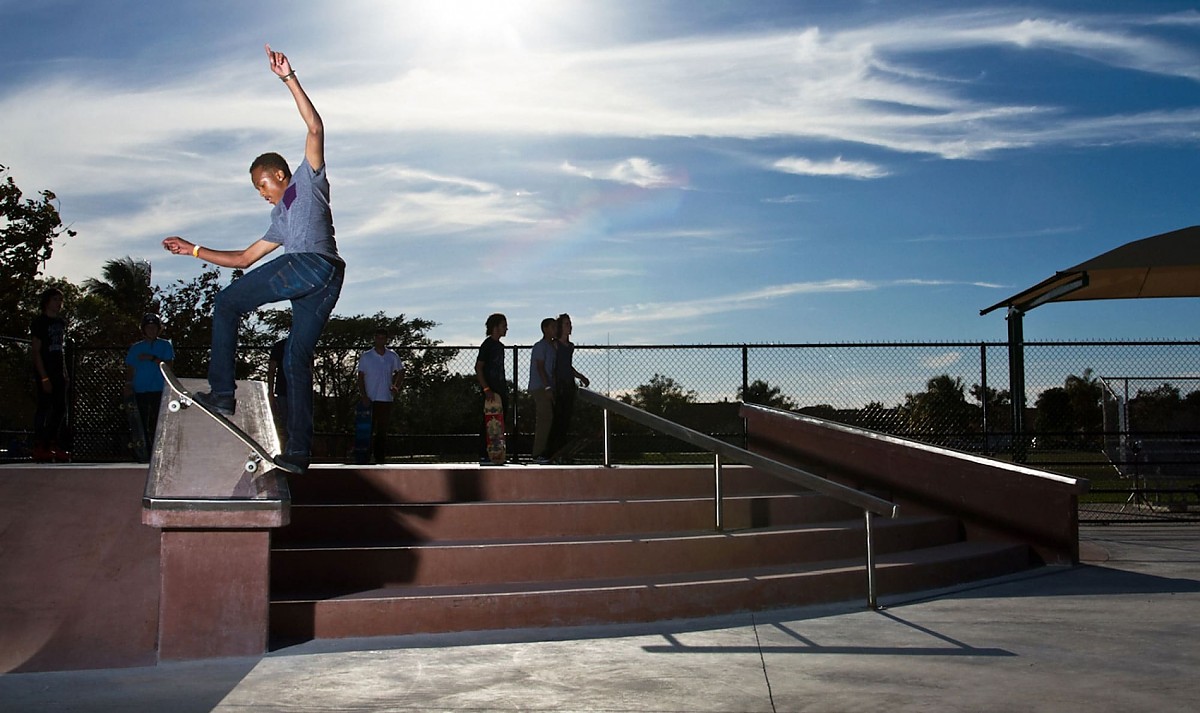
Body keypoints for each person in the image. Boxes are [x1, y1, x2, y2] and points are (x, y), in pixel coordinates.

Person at [162, 45, 343, 473]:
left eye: (262, 184)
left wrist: (288, 78)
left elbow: (315, 128)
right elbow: (245, 258)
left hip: (310, 264)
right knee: (295, 360)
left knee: (226, 305)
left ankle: (222, 392)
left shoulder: (306, 180)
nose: (262, 193)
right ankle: (299, 454)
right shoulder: (279, 219)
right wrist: (194, 250)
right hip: (327, 279)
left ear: (279, 175)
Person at [123, 313, 175, 456]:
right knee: (141, 423)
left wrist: (152, 358)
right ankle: (143, 453)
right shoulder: (136, 348)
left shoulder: (165, 345)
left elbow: (168, 366)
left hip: (159, 389)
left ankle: (160, 452)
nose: (151, 330)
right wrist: (128, 385)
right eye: (148, 327)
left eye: (154, 327)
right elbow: (130, 368)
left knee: (158, 422)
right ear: (144, 329)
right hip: (140, 390)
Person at [30, 288, 69, 462]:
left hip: (58, 370)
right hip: (45, 371)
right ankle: (40, 445)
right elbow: (36, 351)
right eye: (55, 299)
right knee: (44, 408)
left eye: (60, 300)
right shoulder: (40, 322)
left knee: (60, 408)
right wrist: (44, 377)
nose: (58, 303)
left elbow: (60, 349)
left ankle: (53, 443)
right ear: (47, 301)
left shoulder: (60, 323)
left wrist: (65, 372)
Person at [357, 328, 405, 464]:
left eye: (382, 338)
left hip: (386, 398)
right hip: (371, 398)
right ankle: (364, 457)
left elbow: (401, 371)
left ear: (386, 339)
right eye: (378, 337)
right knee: (367, 430)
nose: (380, 340)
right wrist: (364, 396)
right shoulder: (366, 356)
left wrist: (396, 387)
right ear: (374, 338)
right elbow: (360, 377)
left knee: (382, 431)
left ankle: (380, 458)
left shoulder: (392, 356)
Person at [548, 313, 590, 461]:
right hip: (559, 385)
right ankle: (552, 451)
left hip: (569, 384)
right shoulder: (555, 345)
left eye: (570, 323)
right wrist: (551, 386)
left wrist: (580, 377)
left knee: (566, 418)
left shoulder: (570, 346)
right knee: (558, 418)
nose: (569, 326)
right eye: (566, 324)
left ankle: (561, 453)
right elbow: (552, 366)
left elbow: (567, 366)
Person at [474, 313, 508, 464]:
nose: (506, 328)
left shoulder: (500, 346)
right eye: (503, 325)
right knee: (489, 423)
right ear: (495, 327)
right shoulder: (487, 345)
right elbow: (479, 367)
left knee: (500, 424)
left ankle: (497, 454)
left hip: (501, 389)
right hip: (491, 390)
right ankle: (484, 453)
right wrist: (486, 388)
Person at [529, 317, 558, 464]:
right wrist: (547, 386)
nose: (555, 330)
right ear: (545, 329)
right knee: (544, 419)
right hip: (540, 387)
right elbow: (540, 367)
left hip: (549, 387)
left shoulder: (553, 347)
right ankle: (538, 453)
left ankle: (547, 451)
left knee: (551, 418)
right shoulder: (540, 346)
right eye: (552, 327)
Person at [266, 336, 289, 445]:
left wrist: (270, 392)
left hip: (287, 391)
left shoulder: (281, 345)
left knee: (288, 423)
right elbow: (271, 370)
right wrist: (270, 392)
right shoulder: (280, 346)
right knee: (287, 423)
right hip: (284, 391)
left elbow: (271, 370)